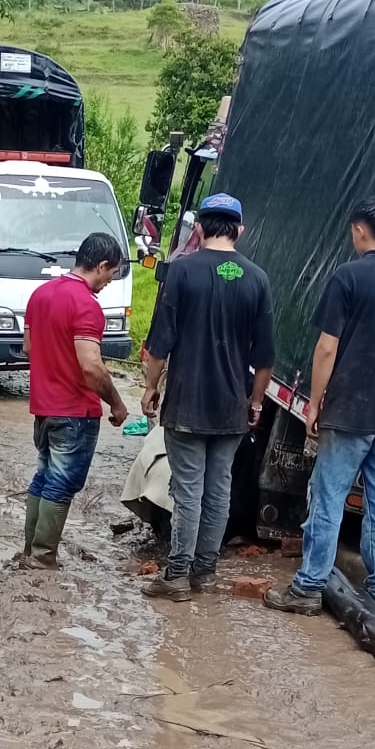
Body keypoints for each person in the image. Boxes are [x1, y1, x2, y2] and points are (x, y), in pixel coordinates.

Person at [265, 197, 375, 615]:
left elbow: (327, 349)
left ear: (360, 230)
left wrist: (314, 403)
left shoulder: (348, 277)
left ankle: (308, 587)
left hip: (348, 413)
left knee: (329, 499)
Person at [140, 192, 275, 602]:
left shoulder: (181, 273)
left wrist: (151, 387)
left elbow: (159, 346)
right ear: (240, 230)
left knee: (188, 490)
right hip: (231, 407)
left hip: (187, 405)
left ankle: (177, 575)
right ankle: (205, 573)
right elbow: (265, 358)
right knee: (219, 489)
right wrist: (254, 403)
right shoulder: (257, 279)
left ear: (198, 229)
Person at [21, 232, 129, 569]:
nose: (109, 282)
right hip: (74, 411)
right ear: (100, 265)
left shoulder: (40, 295)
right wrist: (117, 402)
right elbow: (91, 366)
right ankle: (43, 556)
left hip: (43, 407)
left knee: (43, 475)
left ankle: (30, 550)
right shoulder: (86, 305)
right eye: (111, 274)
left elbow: (28, 348)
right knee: (62, 482)